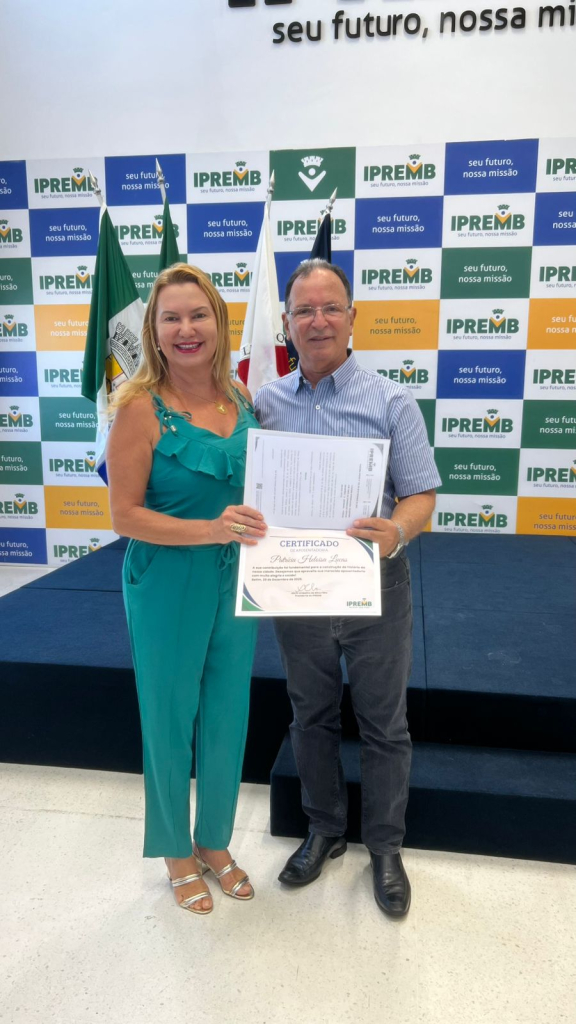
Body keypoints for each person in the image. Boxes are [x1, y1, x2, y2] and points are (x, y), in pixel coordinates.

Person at [255, 259, 441, 918]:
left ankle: (385, 847)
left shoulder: (391, 402)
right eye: (304, 310)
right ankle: (325, 829)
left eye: (331, 307)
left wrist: (396, 530)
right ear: (286, 323)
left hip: (375, 585)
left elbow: (421, 494)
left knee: (385, 724)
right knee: (310, 715)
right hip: (297, 588)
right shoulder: (263, 403)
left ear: (352, 317)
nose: (318, 321)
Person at [107, 263, 267, 915]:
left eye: (198, 314)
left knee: (228, 712)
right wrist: (210, 531)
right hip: (168, 579)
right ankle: (176, 849)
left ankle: (214, 840)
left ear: (219, 324)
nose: (186, 328)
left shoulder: (242, 399)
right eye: (170, 317)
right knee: (169, 716)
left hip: (238, 578)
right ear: (154, 331)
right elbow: (124, 516)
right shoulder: (137, 408)